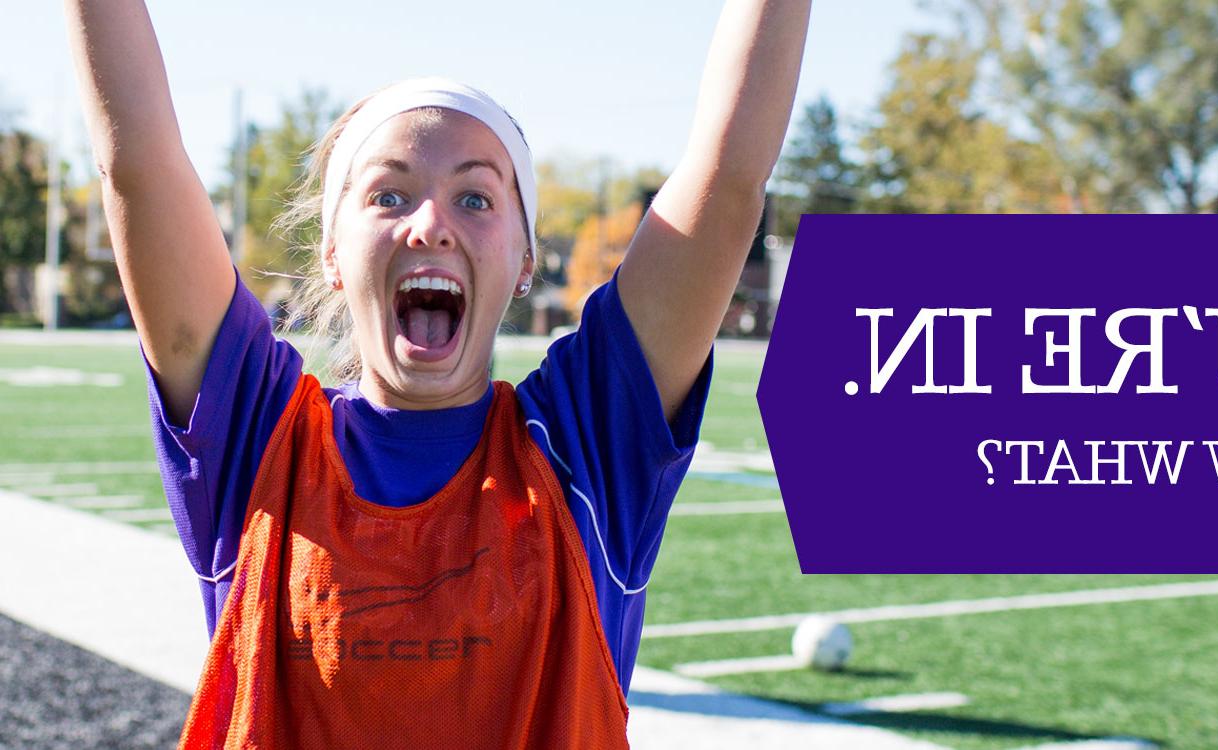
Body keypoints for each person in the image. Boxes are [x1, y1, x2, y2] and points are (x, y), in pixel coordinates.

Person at [64, 1, 810, 746]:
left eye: (475, 196)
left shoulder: (586, 445)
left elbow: (731, 172)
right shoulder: (257, 440)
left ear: (524, 260)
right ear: (331, 252)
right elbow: (138, 161)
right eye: (389, 195)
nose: (429, 224)